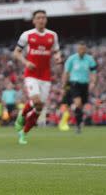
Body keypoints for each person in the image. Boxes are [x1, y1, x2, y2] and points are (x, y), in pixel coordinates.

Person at [13, 10, 62, 144]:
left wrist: (58, 58)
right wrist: (26, 62)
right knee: (36, 101)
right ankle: (22, 116)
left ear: (46, 20)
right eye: (38, 18)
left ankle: (24, 133)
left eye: (43, 18)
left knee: (39, 108)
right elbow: (16, 53)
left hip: (45, 76)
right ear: (34, 20)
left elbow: (57, 51)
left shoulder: (52, 35)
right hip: (31, 74)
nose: (41, 20)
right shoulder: (27, 35)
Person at [61, 42, 97, 133]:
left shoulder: (90, 59)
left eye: (84, 49)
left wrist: (93, 82)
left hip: (85, 85)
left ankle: (78, 122)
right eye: (80, 49)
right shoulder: (71, 59)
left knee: (81, 105)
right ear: (77, 50)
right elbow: (66, 72)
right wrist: (64, 85)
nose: (82, 51)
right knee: (78, 103)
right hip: (74, 84)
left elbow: (93, 72)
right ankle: (77, 125)